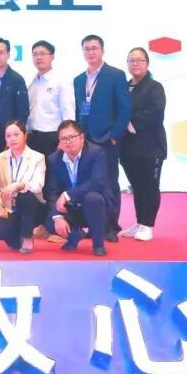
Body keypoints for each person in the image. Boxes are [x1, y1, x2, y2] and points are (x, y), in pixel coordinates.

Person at [72, 34, 131, 242]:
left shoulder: (115, 75)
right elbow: (79, 109)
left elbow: (125, 108)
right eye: (87, 49)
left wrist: (114, 136)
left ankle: (111, 226)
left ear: (102, 50)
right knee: (88, 183)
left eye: (94, 48)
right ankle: (94, 225)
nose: (91, 52)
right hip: (85, 140)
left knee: (109, 182)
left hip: (107, 139)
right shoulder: (79, 80)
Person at [44, 120, 115, 256]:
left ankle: (98, 244)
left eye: (72, 137)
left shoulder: (96, 153)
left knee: (93, 198)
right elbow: (52, 191)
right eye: (64, 139)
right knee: (49, 219)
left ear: (81, 137)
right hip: (70, 207)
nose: (68, 142)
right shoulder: (54, 159)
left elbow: (97, 183)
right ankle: (74, 235)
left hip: (96, 206)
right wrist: (57, 217)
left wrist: (67, 195)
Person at [120, 47, 167, 242]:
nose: (135, 63)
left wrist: (129, 122)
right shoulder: (124, 86)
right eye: (131, 60)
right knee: (137, 186)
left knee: (150, 186)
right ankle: (139, 222)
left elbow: (156, 113)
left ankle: (148, 225)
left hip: (150, 147)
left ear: (147, 63)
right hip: (128, 147)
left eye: (139, 60)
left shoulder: (155, 87)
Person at [0, 121, 47, 254]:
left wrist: (19, 185)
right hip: (8, 207)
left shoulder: (38, 157)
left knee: (26, 196)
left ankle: (27, 236)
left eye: (16, 135)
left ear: (25, 135)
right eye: (8, 136)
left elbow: (38, 186)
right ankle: (16, 238)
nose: (12, 139)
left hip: (32, 207)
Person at [26, 40, 75, 158]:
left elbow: (68, 112)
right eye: (35, 54)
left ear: (52, 56)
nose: (39, 57)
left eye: (43, 53)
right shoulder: (32, 83)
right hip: (32, 138)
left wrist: (65, 139)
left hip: (53, 138)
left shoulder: (61, 81)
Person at [0, 38, 30, 155]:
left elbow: (23, 111)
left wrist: (14, 136)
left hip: (8, 133)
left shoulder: (17, 79)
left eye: (1, 53)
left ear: (8, 55)